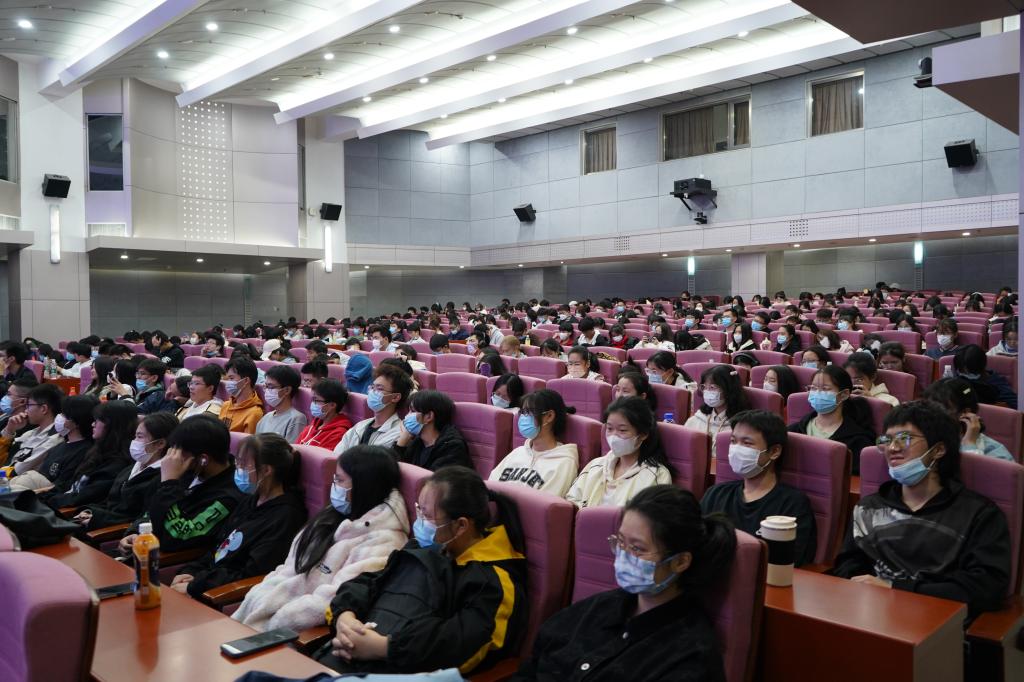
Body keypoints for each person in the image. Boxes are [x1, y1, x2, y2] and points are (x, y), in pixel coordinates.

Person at [511, 485, 736, 682]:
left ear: (680, 562)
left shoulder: (691, 656)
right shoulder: (597, 607)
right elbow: (535, 663)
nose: (624, 555)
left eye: (637, 548)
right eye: (620, 542)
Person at [317, 466, 527, 675]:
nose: (419, 522)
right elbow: (370, 582)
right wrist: (345, 618)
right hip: (353, 658)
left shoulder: (493, 579)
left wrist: (384, 648)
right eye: (419, 510)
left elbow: (465, 644)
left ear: (461, 525)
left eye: (427, 516)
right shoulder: (425, 548)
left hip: (406, 671)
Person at [831, 401, 1011, 617]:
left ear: (939, 449)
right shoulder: (868, 507)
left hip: (940, 622)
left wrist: (896, 588)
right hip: (871, 615)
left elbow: (986, 588)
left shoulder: (979, 514)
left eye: (904, 438)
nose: (892, 448)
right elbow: (847, 565)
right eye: (887, 440)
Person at [233, 444, 409, 632]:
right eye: (334, 479)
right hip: (266, 612)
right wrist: (260, 598)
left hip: (292, 631)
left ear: (365, 485)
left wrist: (274, 624)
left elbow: (334, 600)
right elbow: (289, 567)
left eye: (340, 480)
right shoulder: (332, 515)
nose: (334, 486)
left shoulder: (383, 541)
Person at [170, 433, 309, 599]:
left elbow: (251, 574)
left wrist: (195, 585)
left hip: (223, 596)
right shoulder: (251, 500)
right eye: (238, 462)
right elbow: (218, 548)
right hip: (207, 581)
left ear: (266, 470)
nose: (238, 470)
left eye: (243, 464)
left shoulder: (286, 516)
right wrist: (191, 572)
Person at [700, 410, 816, 567]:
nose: (736, 449)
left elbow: (791, 562)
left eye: (747, 443)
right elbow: (696, 542)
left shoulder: (792, 504)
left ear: (774, 451)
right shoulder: (715, 494)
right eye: (733, 441)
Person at [118, 415, 245, 556]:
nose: (173, 458)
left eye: (179, 453)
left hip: (172, 562)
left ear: (203, 459)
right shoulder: (189, 473)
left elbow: (176, 537)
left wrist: (168, 485)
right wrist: (136, 532)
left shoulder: (228, 497)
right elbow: (150, 511)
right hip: (144, 553)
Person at [73, 412, 178, 531]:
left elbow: (137, 518)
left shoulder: (162, 477)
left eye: (140, 437)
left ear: (160, 443)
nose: (134, 441)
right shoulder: (131, 468)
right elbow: (110, 502)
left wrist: (95, 519)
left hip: (114, 533)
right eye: (135, 436)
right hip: (100, 522)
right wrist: (89, 511)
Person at [567, 397, 674, 508]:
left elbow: (656, 516)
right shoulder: (595, 465)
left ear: (643, 434)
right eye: (609, 429)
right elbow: (572, 500)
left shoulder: (657, 475)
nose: (613, 437)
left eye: (622, 430)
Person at [42, 400, 138, 509]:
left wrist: (47, 500)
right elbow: (70, 484)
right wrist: (43, 496)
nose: (93, 424)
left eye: (97, 421)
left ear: (111, 425)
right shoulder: (97, 451)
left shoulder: (117, 464)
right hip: (59, 503)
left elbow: (83, 498)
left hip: (68, 512)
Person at [489, 389, 579, 496]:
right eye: (523, 412)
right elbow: (490, 486)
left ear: (549, 416)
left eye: (529, 412)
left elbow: (545, 503)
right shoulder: (518, 452)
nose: (523, 418)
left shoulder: (564, 462)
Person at [788, 366, 875, 474]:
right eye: (814, 388)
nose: (817, 393)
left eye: (825, 389)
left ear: (844, 395)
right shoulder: (794, 431)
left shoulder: (858, 440)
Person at [8, 394, 97, 493]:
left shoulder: (84, 451)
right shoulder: (60, 445)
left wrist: (33, 493)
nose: (59, 417)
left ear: (76, 421)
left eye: (64, 414)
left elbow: (62, 487)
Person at [922, 378, 1014, 462]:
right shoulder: (924, 437)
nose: (931, 414)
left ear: (965, 413)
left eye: (940, 409)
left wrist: (969, 445)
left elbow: (974, 474)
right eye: (928, 407)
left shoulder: (996, 453)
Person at [334, 364, 412, 452]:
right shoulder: (360, 426)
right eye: (372, 387)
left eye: (379, 389)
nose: (372, 392)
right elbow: (336, 456)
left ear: (395, 397)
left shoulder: (398, 433)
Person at [393, 390, 471, 471]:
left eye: (412, 411)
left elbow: (436, 478)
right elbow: (392, 470)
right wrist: (402, 442)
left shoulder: (452, 446)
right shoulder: (418, 441)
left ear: (429, 416)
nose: (407, 416)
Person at [0, 382, 63, 472]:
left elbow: (15, 472)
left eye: (28, 405)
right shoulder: (30, 433)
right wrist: (9, 430)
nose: (26, 410)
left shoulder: (52, 439)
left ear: (43, 409)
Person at [684, 365, 750, 439]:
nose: (707, 392)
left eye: (712, 387)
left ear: (729, 389)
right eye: (704, 387)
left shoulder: (741, 424)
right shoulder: (698, 418)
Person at [954, 344, 1018, 409]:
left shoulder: (996, 383)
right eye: (961, 370)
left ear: (979, 366)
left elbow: (1015, 404)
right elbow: (964, 392)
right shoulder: (959, 376)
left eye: (967, 371)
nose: (962, 373)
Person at [256, 365, 307, 442]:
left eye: (271, 387)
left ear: (287, 390)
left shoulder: (296, 419)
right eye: (266, 386)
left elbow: (291, 448)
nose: (267, 391)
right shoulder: (266, 417)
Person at [107, 358, 175, 414]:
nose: (138, 377)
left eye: (142, 374)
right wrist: (113, 396)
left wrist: (125, 395)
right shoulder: (142, 392)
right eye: (137, 373)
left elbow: (134, 414)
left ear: (154, 378)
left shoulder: (157, 396)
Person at [220, 357, 265, 434]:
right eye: (228, 379)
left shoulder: (254, 413)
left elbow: (248, 441)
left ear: (246, 381)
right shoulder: (226, 405)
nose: (228, 383)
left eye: (231, 378)